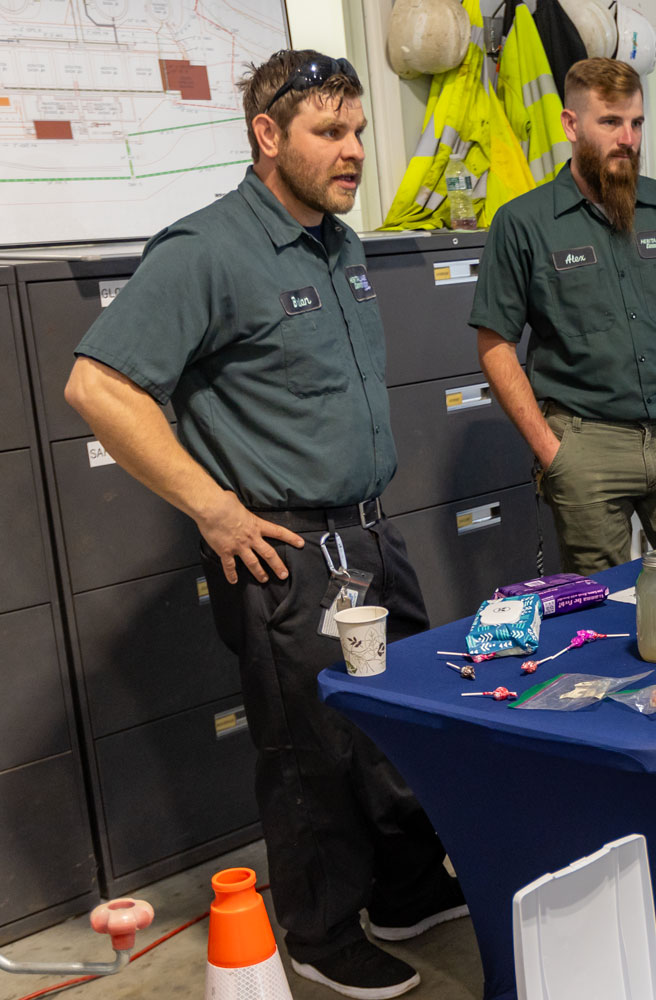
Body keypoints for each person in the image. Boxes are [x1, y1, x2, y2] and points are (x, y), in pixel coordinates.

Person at [65, 50, 465, 999]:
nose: (355, 151)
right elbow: (98, 386)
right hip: (289, 554)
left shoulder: (338, 243)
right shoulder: (207, 251)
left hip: (370, 536)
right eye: (332, 133)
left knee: (396, 727)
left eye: (359, 130)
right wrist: (212, 506)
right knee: (309, 752)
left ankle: (406, 891)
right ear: (267, 135)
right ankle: (323, 932)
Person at [470, 57, 656, 574]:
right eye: (611, 122)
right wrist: (552, 451)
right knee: (601, 609)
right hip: (585, 447)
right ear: (572, 125)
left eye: (636, 123)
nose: (628, 138)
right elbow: (495, 345)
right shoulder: (524, 223)